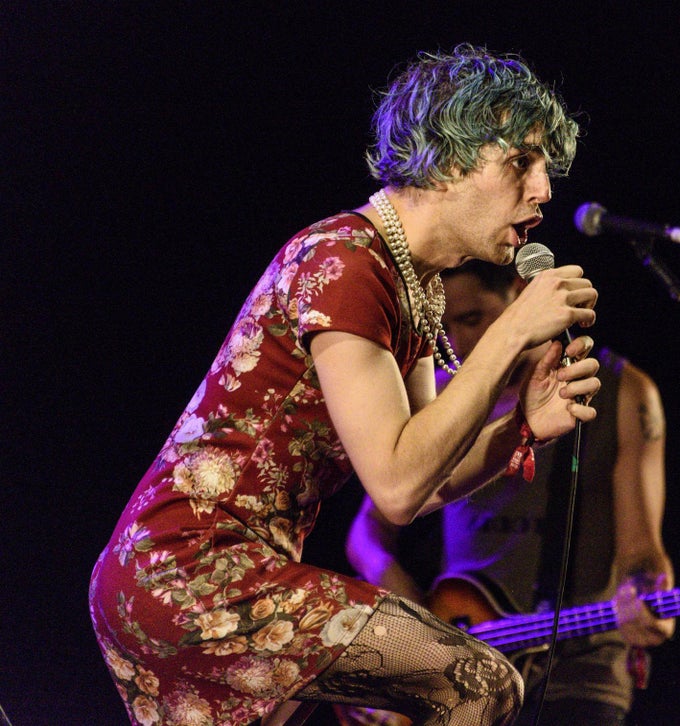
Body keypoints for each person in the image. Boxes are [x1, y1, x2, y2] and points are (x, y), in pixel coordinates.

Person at [88, 44, 602, 726]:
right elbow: (393, 480)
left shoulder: (411, 284)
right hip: (191, 571)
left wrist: (519, 427)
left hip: (202, 576)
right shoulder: (347, 261)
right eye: (520, 163)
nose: (543, 190)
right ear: (448, 159)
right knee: (479, 683)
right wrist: (510, 333)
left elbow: (421, 486)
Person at [342, 260, 675, 726]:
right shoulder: (445, 395)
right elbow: (367, 532)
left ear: (520, 293)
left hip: (579, 671)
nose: (460, 342)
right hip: (468, 667)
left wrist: (645, 593)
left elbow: (643, 549)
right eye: (448, 326)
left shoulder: (624, 392)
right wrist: (416, 621)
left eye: (474, 319)